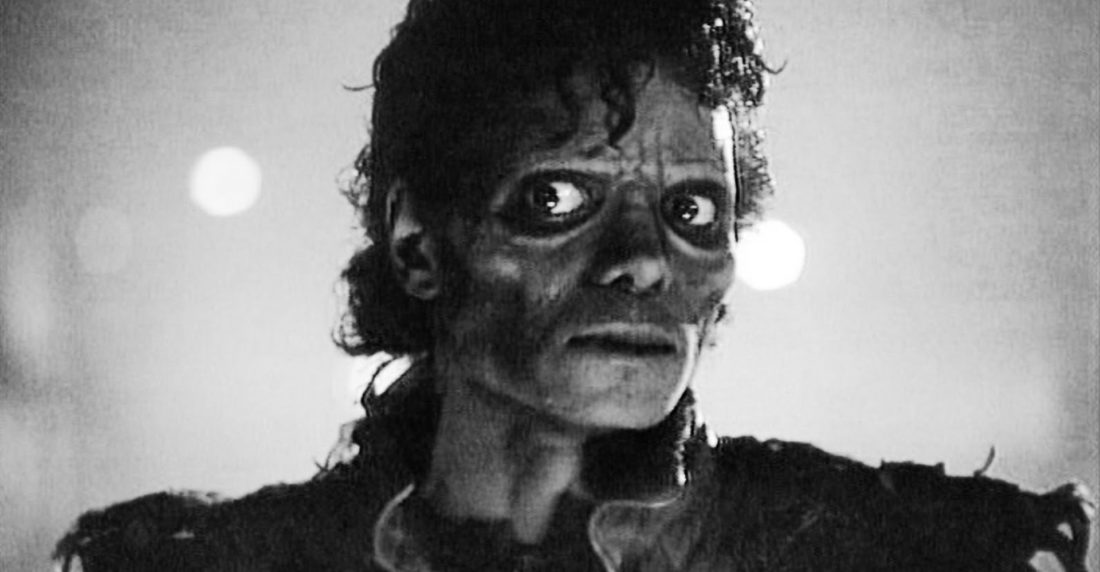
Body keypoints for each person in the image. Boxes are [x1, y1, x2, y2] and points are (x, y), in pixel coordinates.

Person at [55, 0, 1094, 570]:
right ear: (418, 245)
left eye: (693, 210)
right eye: (557, 197)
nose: (643, 257)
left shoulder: (896, 552)